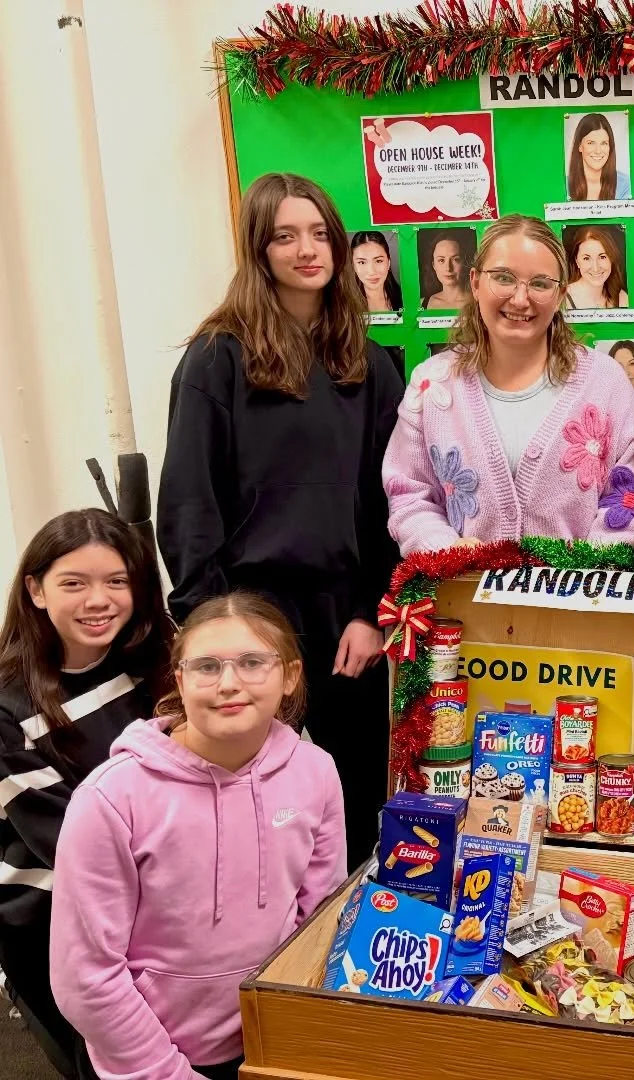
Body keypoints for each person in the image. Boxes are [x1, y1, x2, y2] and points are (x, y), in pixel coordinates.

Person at [158, 171, 402, 866]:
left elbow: (389, 498)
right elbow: (188, 502)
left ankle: (350, 924)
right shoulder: (217, 358)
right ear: (257, 250)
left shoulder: (366, 361)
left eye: (320, 233)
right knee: (253, 806)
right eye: (285, 236)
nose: (307, 250)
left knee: (360, 801)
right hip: (251, 614)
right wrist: (216, 630)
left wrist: (371, 612)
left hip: (346, 622)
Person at [51, 593, 346, 1080]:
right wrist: (168, 1072)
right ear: (179, 679)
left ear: (290, 676)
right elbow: (85, 976)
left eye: (253, 663)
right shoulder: (111, 798)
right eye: (207, 667)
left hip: (269, 1043)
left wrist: (294, 1034)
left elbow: (319, 920)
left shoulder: (316, 772)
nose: (229, 683)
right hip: (147, 1060)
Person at [0, 510, 172, 1080]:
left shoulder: (156, 666)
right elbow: (69, 842)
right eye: (74, 582)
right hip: (53, 916)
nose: (99, 600)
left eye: (117, 581)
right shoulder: (8, 706)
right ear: (36, 590)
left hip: (159, 894)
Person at [384, 214, 634, 551]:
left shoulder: (606, 382)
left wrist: (586, 572)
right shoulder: (432, 385)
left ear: (560, 295)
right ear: (475, 283)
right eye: (503, 278)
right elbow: (410, 496)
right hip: (462, 584)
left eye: (540, 284)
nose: (520, 299)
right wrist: (446, 551)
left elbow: (626, 495)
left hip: (585, 583)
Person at [568, 113, 632, 201]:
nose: (598, 151)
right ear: (580, 146)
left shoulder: (625, 184)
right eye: (591, 143)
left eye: (604, 143)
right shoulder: (564, 185)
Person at [564, 225, 629, 310]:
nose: (596, 268)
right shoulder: (563, 299)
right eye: (586, 258)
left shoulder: (621, 297)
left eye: (602, 257)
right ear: (577, 262)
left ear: (611, 259)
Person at [349, 230, 403, 312]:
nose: (371, 271)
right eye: (362, 262)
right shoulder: (343, 305)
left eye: (378, 261)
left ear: (388, 262)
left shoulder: (406, 300)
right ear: (353, 266)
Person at [422, 232, 472, 310]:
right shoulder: (422, 303)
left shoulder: (477, 302)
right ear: (434, 265)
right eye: (441, 260)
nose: (448, 268)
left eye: (456, 259)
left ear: (464, 263)